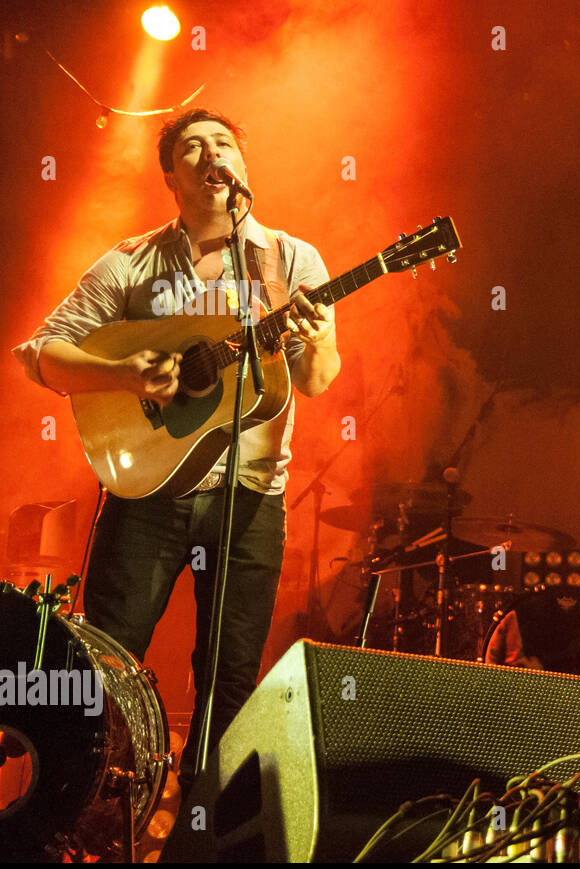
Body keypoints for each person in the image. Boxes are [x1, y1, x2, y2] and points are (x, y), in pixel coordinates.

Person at [12, 108, 341, 793]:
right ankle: (90, 809)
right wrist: (127, 375)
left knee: (230, 676)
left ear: (242, 169)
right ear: (172, 177)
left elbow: (313, 379)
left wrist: (316, 335)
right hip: (150, 494)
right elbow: (40, 353)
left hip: (252, 500)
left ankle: (204, 831)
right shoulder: (132, 261)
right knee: (105, 663)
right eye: (192, 147)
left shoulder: (293, 261)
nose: (209, 154)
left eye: (223, 143)